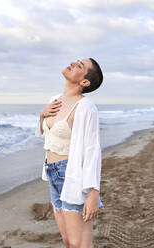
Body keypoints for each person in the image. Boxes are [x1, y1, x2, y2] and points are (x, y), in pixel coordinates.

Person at [35, 58, 104, 248]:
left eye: (80, 66)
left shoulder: (86, 107)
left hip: (72, 175)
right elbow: (46, 136)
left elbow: (92, 150)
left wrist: (93, 193)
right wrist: (41, 115)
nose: (73, 63)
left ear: (85, 82)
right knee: (67, 241)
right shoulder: (54, 101)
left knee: (79, 244)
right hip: (52, 173)